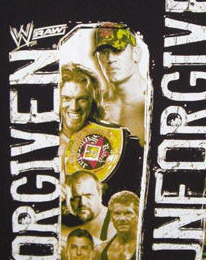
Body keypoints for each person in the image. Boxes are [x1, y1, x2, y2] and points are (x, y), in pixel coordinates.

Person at [59, 63, 143, 198]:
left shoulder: (124, 145)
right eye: (66, 98)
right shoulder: (39, 143)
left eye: (82, 99)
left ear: (93, 102)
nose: (74, 107)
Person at [94, 22, 147, 146]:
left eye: (117, 50)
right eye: (103, 52)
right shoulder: (93, 106)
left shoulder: (154, 101)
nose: (110, 59)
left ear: (136, 53)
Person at [94, 191, 139, 260]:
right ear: (111, 217)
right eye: (117, 213)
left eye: (128, 213)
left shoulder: (148, 248)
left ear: (138, 215)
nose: (122, 218)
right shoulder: (99, 251)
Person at [63, 171, 115, 241]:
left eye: (88, 195)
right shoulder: (66, 219)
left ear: (100, 195)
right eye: (76, 197)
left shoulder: (115, 224)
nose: (83, 202)